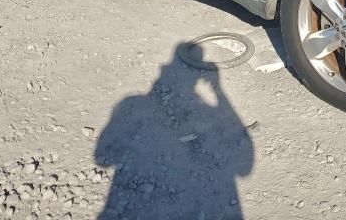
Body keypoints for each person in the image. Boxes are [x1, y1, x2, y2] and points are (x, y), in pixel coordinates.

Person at [96, 45, 253, 219]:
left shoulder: (131, 102)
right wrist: (217, 89)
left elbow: (101, 158)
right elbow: (245, 169)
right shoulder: (134, 103)